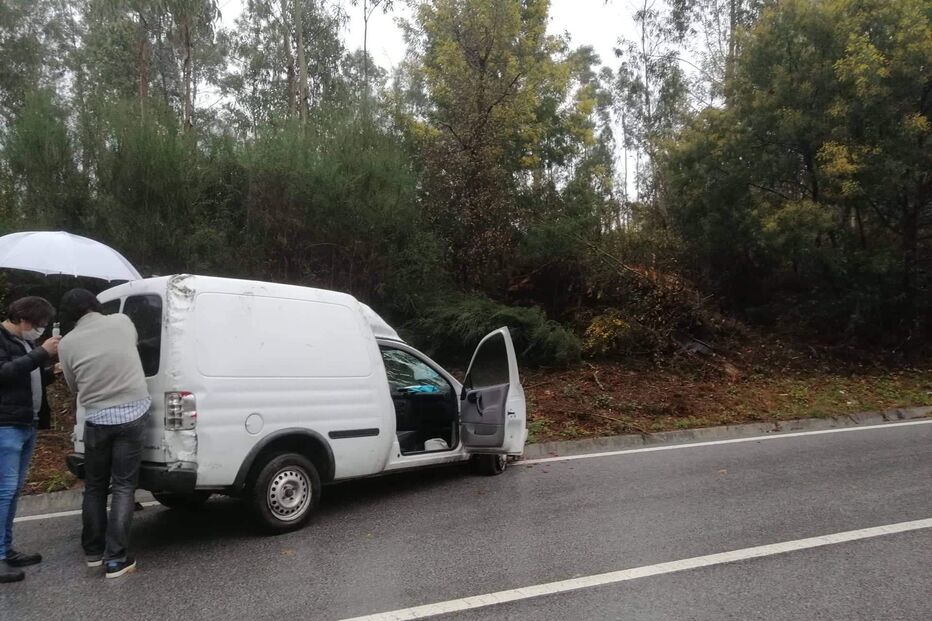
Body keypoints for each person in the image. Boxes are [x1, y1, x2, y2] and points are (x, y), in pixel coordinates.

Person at [58, 289, 150, 579]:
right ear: (95, 305)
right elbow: (132, 347)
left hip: (97, 418)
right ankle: (116, 559)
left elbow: (73, 387)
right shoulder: (122, 322)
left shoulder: (67, 343)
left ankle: (93, 553)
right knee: (124, 486)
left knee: (95, 487)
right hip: (132, 414)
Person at [0, 296, 60, 584]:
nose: (41, 331)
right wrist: (41, 355)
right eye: (39, 325)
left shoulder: (25, 343)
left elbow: (25, 378)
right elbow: (4, 374)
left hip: (26, 423)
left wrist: (50, 372)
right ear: (24, 320)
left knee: (13, 491)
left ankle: (6, 548)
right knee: (4, 489)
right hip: (5, 425)